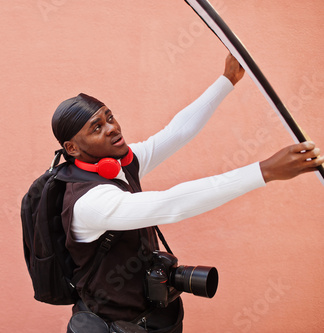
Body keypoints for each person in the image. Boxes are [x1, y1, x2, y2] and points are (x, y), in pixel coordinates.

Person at [51, 54, 323, 333]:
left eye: (110, 117)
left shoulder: (119, 164)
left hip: (153, 320)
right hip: (112, 327)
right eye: (97, 127)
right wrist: (264, 171)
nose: (113, 129)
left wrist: (227, 80)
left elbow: (178, 132)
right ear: (72, 148)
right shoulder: (88, 203)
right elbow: (173, 204)